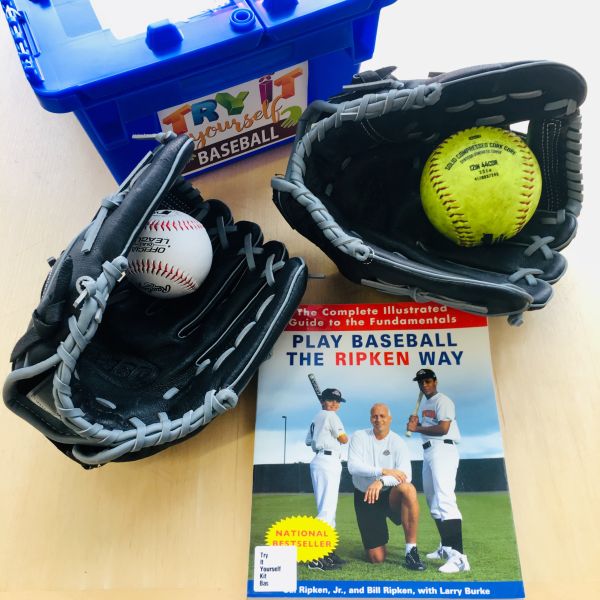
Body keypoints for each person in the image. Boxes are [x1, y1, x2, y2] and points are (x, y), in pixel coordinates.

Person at [347, 402, 425, 571]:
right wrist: (382, 470)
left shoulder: (398, 442)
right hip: (365, 496)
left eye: (382, 416)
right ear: (370, 419)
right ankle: (377, 540)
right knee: (377, 558)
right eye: (375, 416)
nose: (378, 419)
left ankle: (411, 551)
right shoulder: (359, 437)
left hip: (390, 495)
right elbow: (352, 467)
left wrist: (381, 480)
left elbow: (407, 475)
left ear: (389, 419)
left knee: (408, 488)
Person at [407, 368, 470, 573]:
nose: (424, 385)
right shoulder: (425, 403)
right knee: (433, 502)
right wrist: (417, 424)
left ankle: (459, 558)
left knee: (445, 500)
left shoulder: (443, 401)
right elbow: (428, 427)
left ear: (435, 381)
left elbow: (443, 428)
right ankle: (447, 547)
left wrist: (417, 429)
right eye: (421, 382)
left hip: (444, 448)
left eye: (427, 381)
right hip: (429, 452)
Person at [305, 387, 349, 571]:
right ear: (323, 400)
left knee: (329, 511)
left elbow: (308, 441)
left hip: (322, 460)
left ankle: (326, 551)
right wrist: (336, 435)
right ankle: (314, 557)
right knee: (326, 512)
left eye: (337, 401)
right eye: (330, 400)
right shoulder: (330, 416)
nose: (335, 404)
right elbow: (344, 439)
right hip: (327, 461)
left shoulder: (318, 417)